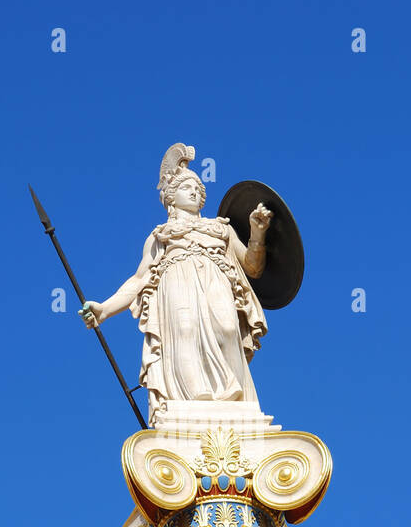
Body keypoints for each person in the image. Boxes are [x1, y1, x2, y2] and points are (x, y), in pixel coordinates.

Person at [79, 144, 272, 424]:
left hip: (216, 279)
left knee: (229, 328)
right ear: (171, 197)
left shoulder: (221, 229)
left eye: (197, 188)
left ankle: (235, 397)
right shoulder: (161, 235)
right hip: (176, 282)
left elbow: (253, 266)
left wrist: (257, 232)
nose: (194, 191)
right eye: (186, 187)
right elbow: (139, 279)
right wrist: (105, 309)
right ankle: (195, 396)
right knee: (184, 330)